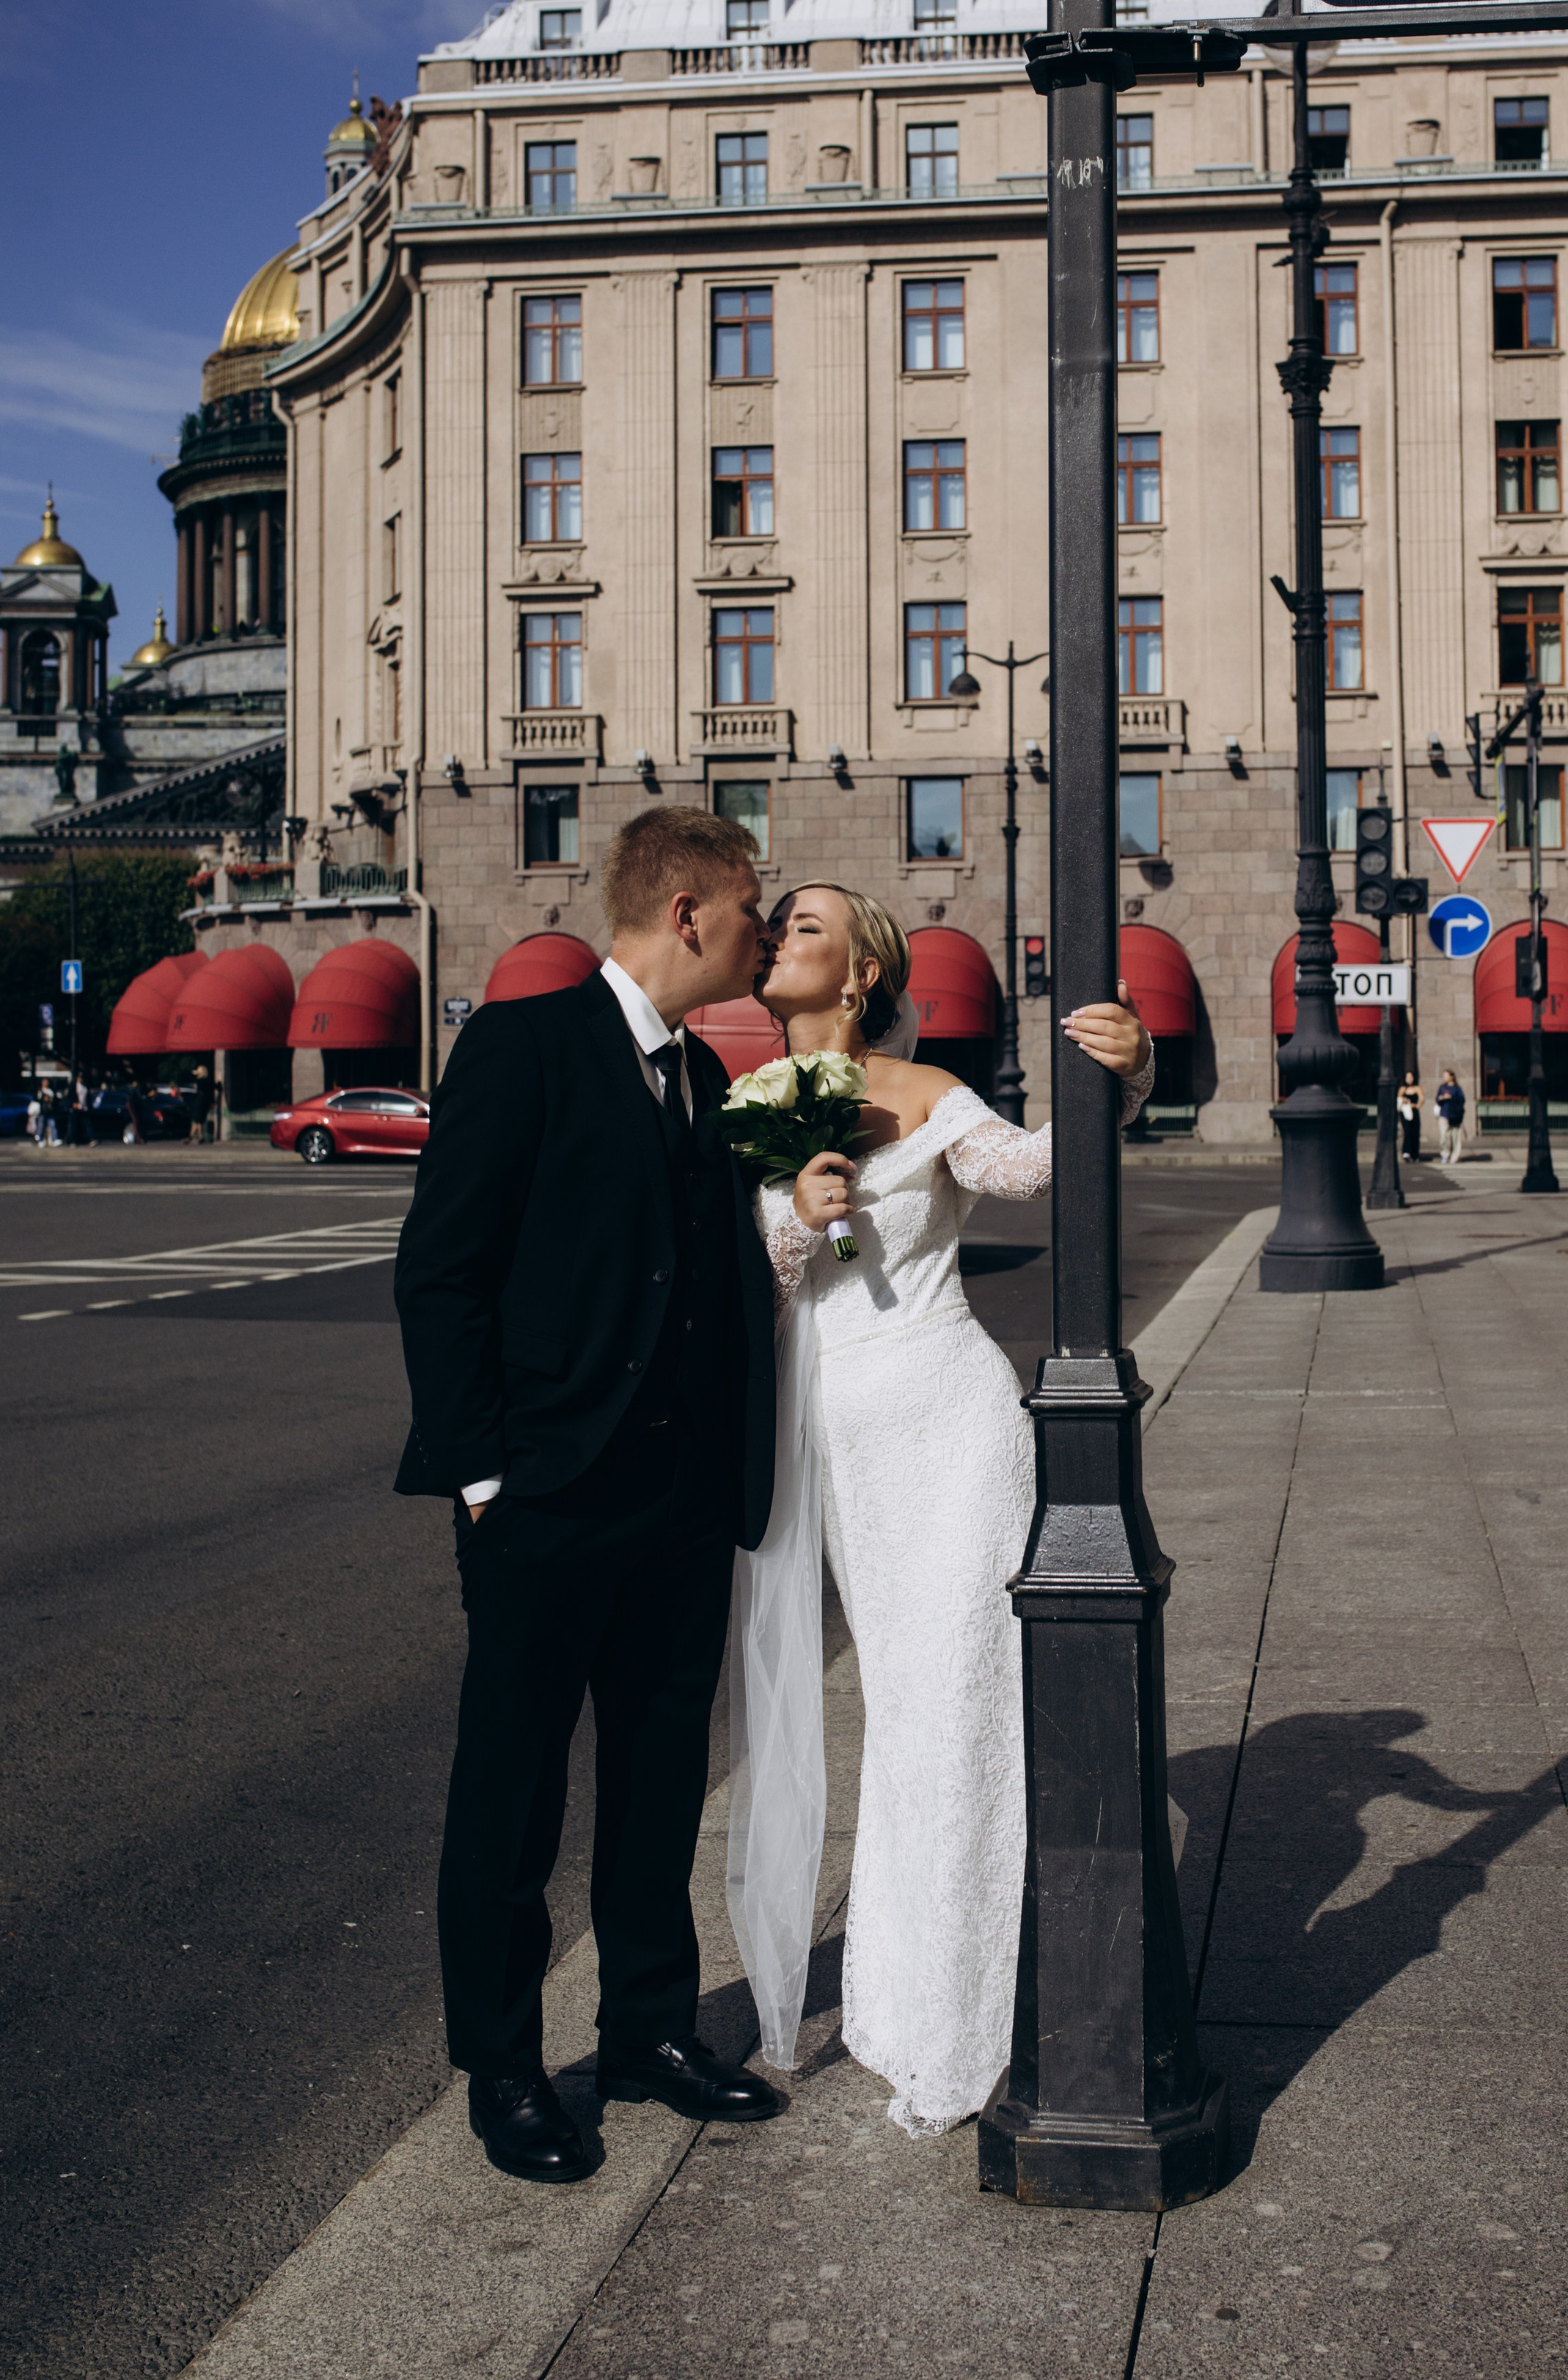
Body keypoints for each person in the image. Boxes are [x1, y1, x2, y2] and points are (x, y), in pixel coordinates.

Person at [393, 807, 785, 2186]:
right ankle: (501, 2065)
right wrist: (487, 1474)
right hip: (547, 1496)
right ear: (687, 911)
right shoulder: (525, 1044)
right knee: (510, 1792)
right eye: (751, 902)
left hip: (677, 1500)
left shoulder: (701, 1076)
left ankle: (647, 2033)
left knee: (659, 1777)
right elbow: (441, 1272)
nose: (763, 920)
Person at [733, 884, 1151, 2137]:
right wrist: (794, 1231)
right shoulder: (741, 1112)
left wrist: (1123, 1076)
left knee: (962, 1696)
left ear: (862, 971)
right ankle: (908, 1991)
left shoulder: (923, 1092)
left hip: (952, 1416)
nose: (776, 940)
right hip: (841, 1438)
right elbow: (729, 1297)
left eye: (803, 926)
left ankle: (980, 2010)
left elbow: (1029, 1172)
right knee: (899, 1705)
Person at [1434, 1068, 1466, 1166]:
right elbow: (1437, 1099)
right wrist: (1441, 1098)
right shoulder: (1442, 1087)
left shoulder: (1457, 1089)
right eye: (1444, 1076)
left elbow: (1462, 1100)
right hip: (1443, 1114)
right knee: (1444, 1136)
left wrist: (1452, 1098)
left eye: (1446, 1076)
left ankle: (1455, 1156)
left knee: (1455, 1137)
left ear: (1452, 1077)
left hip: (1454, 1115)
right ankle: (1445, 1154)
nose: (1445, 1078)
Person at [1396, 1069, 1423, 1163]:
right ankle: (1406, 1152)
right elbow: (1398, 1099)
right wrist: (1403, 1101)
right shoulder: (1403, 1089)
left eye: (1411, 1077)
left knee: (1415, 1132)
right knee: (1407, 1132)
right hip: (1405, 1112)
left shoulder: (1417, 1088)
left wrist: (1417, 1106)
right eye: (1408, 1077)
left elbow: (1422, 1099)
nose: (1410, 1079)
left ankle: (1415, 1154)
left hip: (1414, 1112)